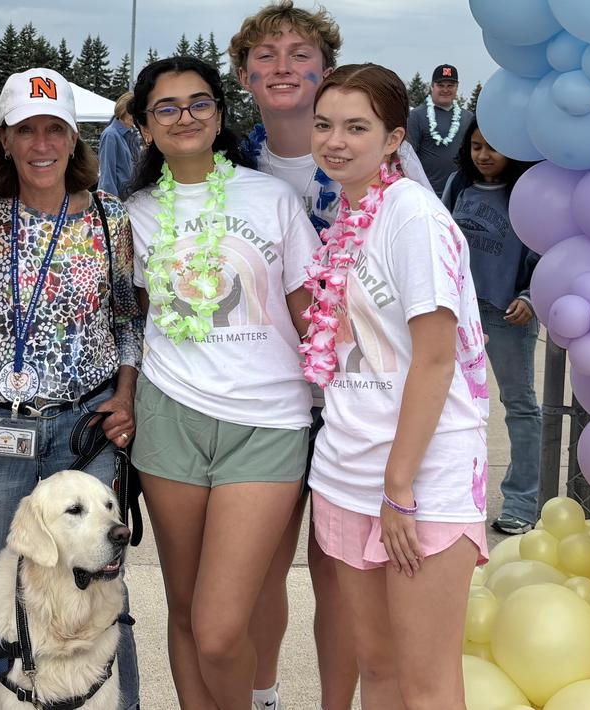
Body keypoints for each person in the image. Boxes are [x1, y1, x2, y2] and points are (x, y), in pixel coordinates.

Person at [0, 67, 144, 710]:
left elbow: (129, 319)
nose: (43, 143)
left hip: (85, 428)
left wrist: (127, 396)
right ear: (3, 139)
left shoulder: (111, 219)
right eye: (28, 129)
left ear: (76, 138)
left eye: (57, 128)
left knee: (106, 587)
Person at [124, 56, 318, 710]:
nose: (185, 117)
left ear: (218, 114)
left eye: (199, 102)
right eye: (167, 107)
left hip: (267, 425)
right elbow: (130, 322)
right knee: (182, 610)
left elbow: (310, 314)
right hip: (169, 419)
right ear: (143, 126)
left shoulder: (271, 198)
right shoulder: (134, 214)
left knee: (217, 629)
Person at [304, 63, 490, 709]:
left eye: (356, 127)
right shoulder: (347, 214)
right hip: (345, 469)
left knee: (426, 684)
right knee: (377, 670)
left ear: (391, 139)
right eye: (323, 124)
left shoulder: (413, 216)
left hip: (418, 480)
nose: (334, 140)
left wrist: (399, 487)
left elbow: (435, 360)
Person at [225, 4, 357, 707]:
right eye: (265, 54)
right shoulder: (228, 168)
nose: (281, 65)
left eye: (298, 52)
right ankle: (264, 696)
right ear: (244, 75)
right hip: (266, 399)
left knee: (337, 571)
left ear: (324, 72)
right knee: (260, 570)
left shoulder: (374, 162)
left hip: (351, 402)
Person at [439, 118, 542, 536]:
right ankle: (453, 496)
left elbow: (544, 248)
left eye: (493, 148)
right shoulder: (456, 186)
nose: (484, 155)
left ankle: (521, 501)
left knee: (519, 407)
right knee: (449, 407)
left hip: (506, 314)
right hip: (458, 314)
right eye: (477, 146)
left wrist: (531, 295)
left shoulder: (527, 194)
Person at [405, 64, 469, 195]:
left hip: (459, 193)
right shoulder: (416, 116)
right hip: (426, 192)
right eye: (441, 85)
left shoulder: (468, 117)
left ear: (457, 87)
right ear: (432, 86)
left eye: (450, 85)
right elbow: (408, 157)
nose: (445, 90)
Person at [99, 92, 143, 199]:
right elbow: (107, 176)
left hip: (130, 198)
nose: (134, 116)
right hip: (116, 201)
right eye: (131, 112)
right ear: (122, 110)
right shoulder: (110, 135)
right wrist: (112, 203)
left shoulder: (132, 135)